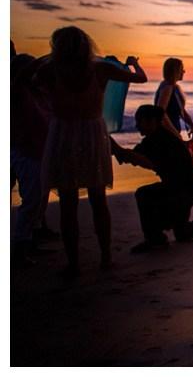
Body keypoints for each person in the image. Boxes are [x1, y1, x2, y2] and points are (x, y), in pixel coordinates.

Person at [34, 26, 147, 277]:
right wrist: (133, 64)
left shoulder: (49, 70)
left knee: (68, 202)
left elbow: (26, 85)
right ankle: (105, 257)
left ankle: (74, 263)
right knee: (98, 199)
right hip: (92, 134)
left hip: (62, 133)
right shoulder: (99, 69)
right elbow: (141, 79)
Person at [109, 105, 193, 253]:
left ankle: (155, 238)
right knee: (183, 233)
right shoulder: (152, 140)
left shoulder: (165, 141)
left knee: (144, 194)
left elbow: (146, 161)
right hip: (182, 189)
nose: (136, 126)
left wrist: (117, 149)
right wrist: (113, 148)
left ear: (153, 121)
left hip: (186, 190)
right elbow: (130, 158)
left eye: (140, 121)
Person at [10, 53, 51, 268]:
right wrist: (47, 57)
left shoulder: (39, 92)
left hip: (40, 152)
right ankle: (20, 248)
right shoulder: (16, 91)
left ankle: (29, 241)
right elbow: (21, 75)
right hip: (25, 152)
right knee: (32, 200)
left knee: (38, 200)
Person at [154, 58, 193, 150]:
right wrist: (176, 135)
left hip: (172, 134)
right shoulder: (167, 88)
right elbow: (160, 113)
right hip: (166, 135)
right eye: (182, 69)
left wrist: (192, 126)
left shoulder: (174, 88)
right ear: (175, 71)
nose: (184, 71)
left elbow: (181, 110)